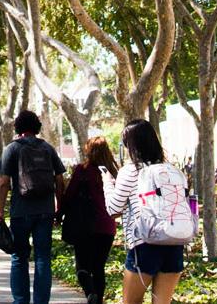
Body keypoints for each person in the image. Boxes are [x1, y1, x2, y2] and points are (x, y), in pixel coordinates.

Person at [107, 119, 186, 304]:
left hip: (144, 245)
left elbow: (113, 209)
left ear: (130, 145)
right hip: (174, 243)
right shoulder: (172, 170)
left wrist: (107, 185)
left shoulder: (131, 171)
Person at [0, 111, 68, 304]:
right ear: (37, 127)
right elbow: (60, 179)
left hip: (20, 212)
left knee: (19, 258)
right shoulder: (47, 148)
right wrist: (58, 207)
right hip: (45, 211)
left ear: (18, 127)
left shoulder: (12, 149)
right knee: (42, 258)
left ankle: (20, 301)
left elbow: (3, 182)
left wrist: (0, 211)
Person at [59, 136, 119, 304]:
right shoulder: (113, 172)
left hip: (85, 226)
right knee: (99, 267)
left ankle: (90, 292)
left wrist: (59, 214)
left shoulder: (82, 170)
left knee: (82, 267)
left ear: (89, 151)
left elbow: (69, 195)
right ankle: (98, 299)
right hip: (107, 227)